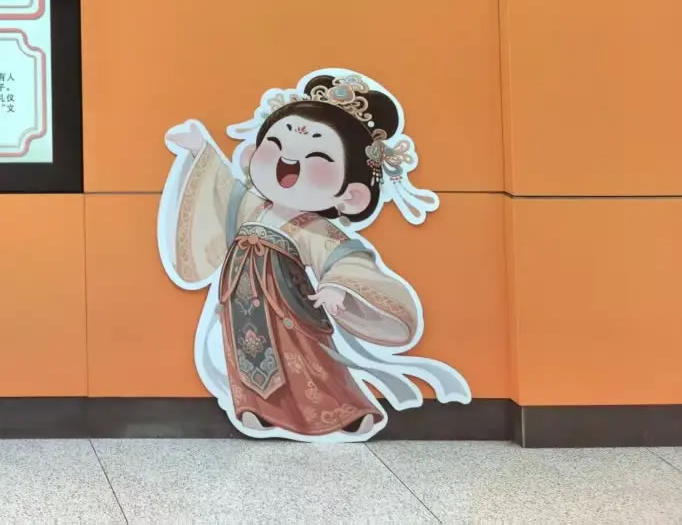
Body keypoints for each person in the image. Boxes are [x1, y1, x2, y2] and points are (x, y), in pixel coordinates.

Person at [158, 72, 469, 441]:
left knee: (310, 358)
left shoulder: (315, 228)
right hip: (241, 301)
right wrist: (200, 149)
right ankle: (255, 408)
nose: (288, 160)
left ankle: (344, 411)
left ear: (350, 195)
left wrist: (337, 286)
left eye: (317, 157)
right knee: (246, 351)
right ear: (252, 155)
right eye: (276, 145)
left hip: (290, 305)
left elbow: (346, 258)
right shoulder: (250, 204)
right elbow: (221, 192)